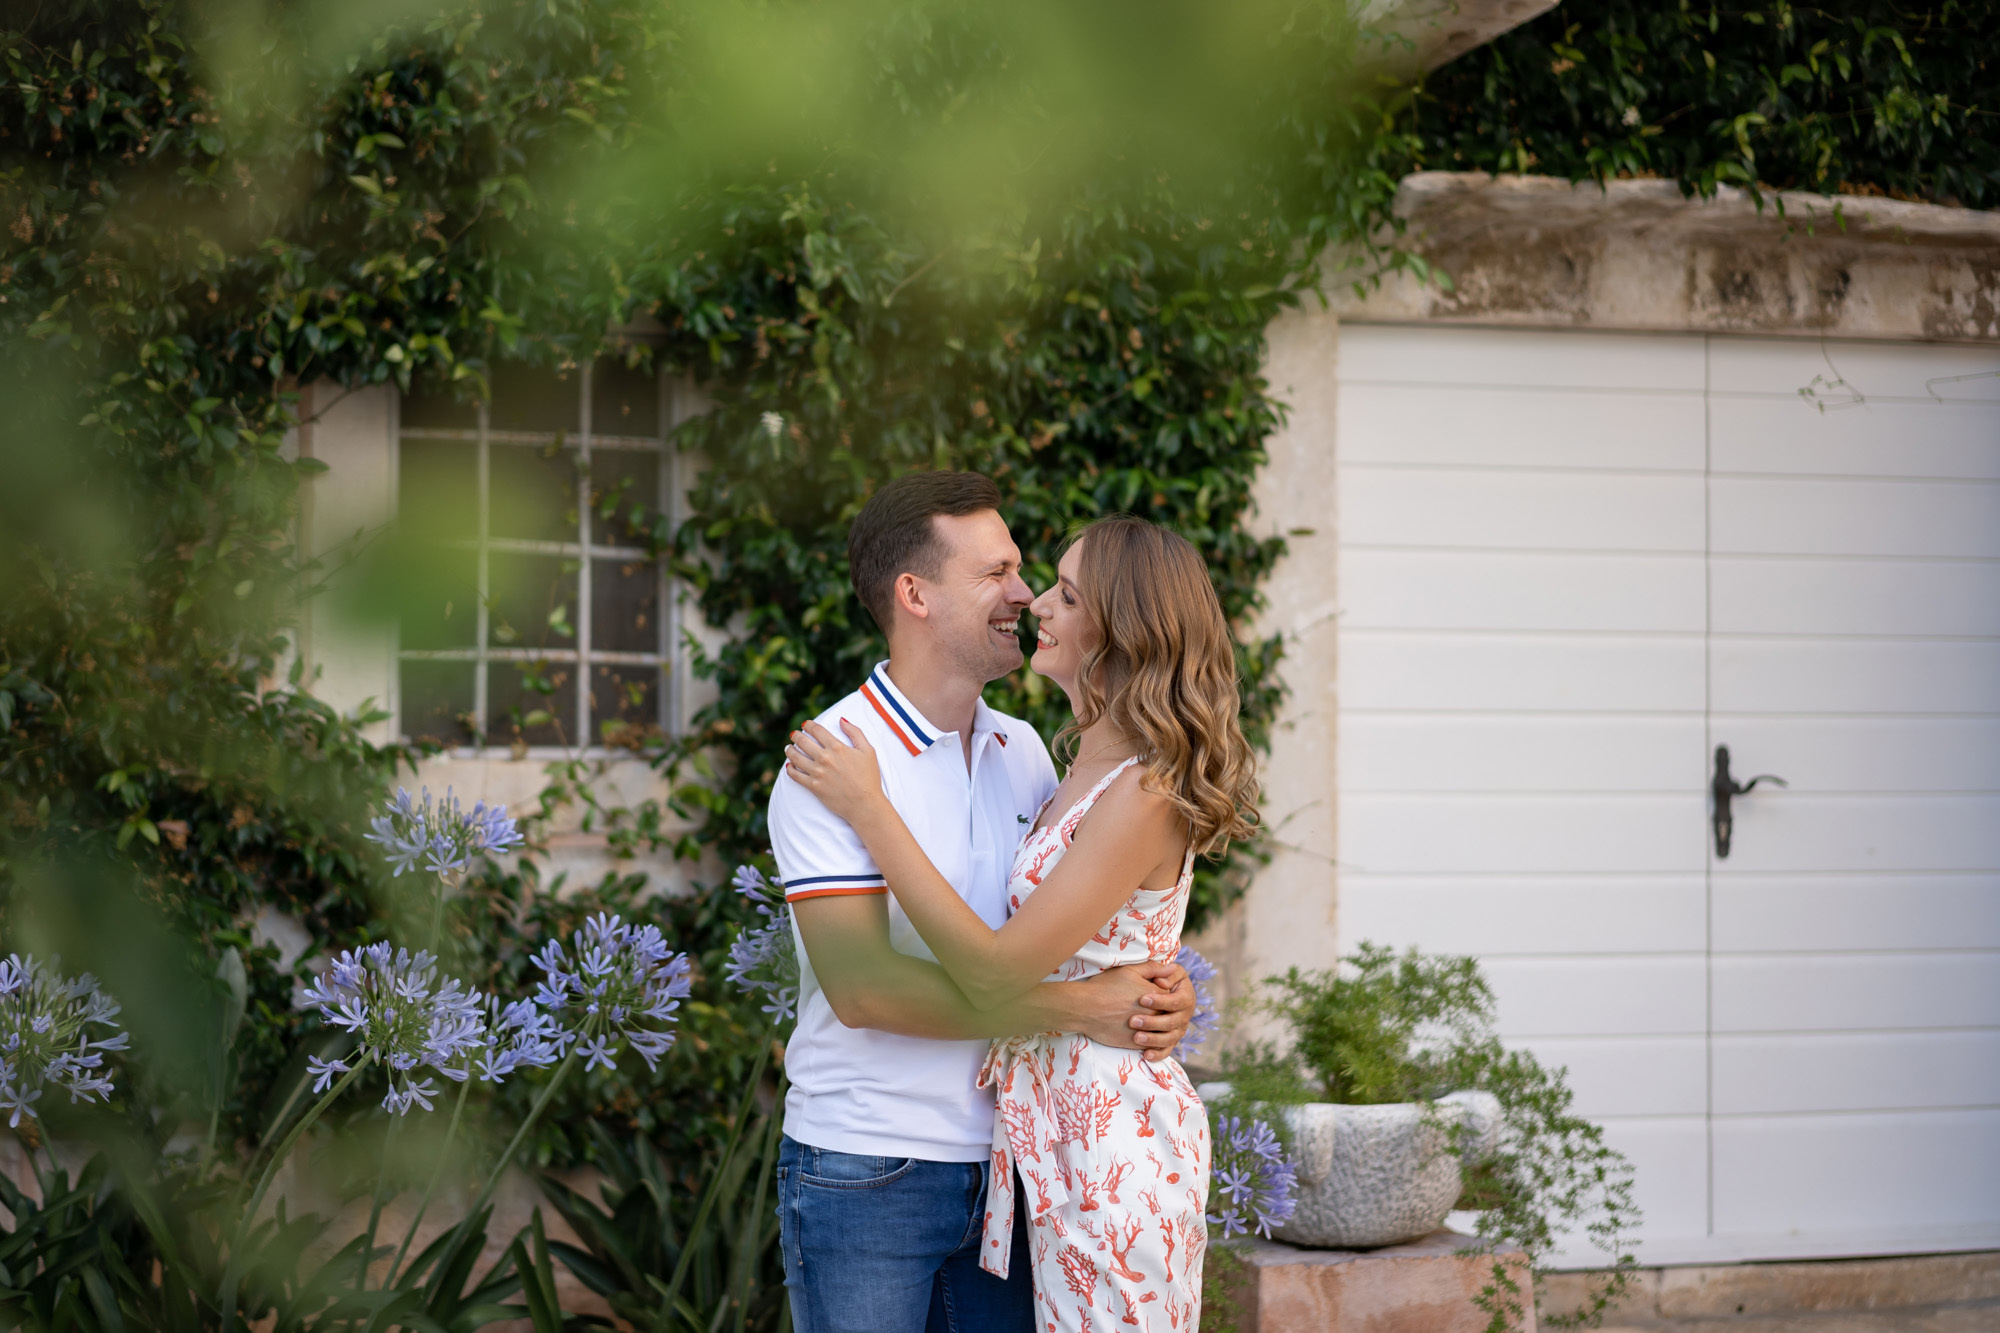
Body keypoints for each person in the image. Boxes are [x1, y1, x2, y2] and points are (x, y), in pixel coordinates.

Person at [787, 513, 1259, 1332]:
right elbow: (868, 986)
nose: (1031, 598)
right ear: (915, 594)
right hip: (995, 1148)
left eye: (1063, 592)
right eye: (1000, 573)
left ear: (1121, 630)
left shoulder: (1075, 766)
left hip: (1099, 1142)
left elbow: (1013, 961)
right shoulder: (1063, 761)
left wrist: (872, 809)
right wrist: (1098, 998)